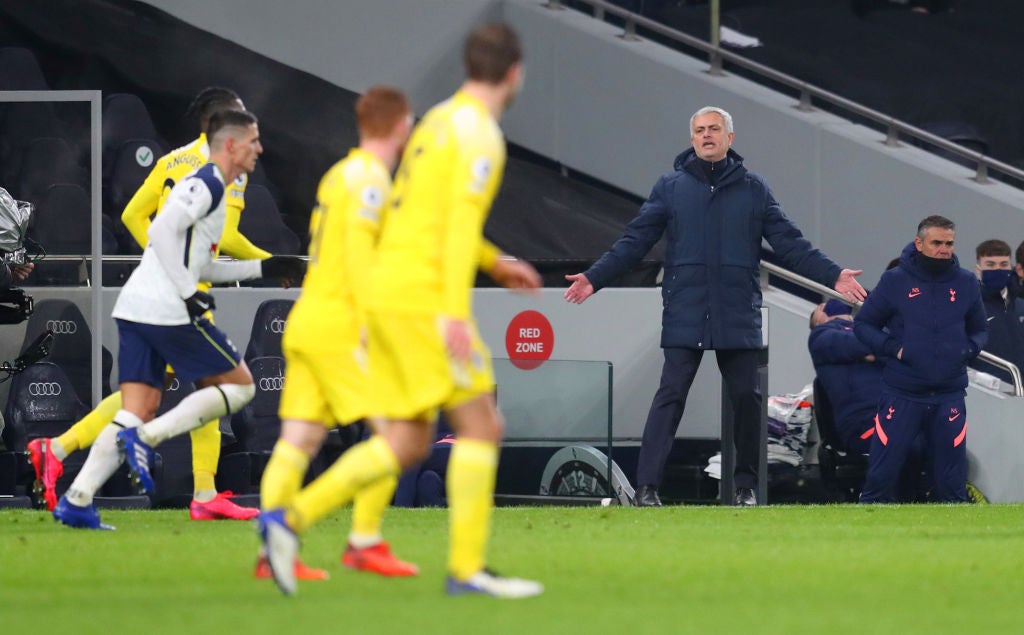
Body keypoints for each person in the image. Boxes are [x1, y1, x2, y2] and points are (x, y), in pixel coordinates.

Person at [258, 22, 544, 598]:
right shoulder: (481, 135)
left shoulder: (437, 120)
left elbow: (418, 215)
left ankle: (290, 522)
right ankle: (465, 571)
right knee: (481, 425)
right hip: (421, 299)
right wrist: (453, 312)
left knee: (409, 440)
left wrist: (495, 261)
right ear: (515, 73)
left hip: (391, 294)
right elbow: (456, 226)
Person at [564, 106, 866, 507]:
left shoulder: (754, 189)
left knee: (747, 399)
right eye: (700, 131)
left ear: (730, 138)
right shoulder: (670, 187)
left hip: (737, 311)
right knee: (670, 396)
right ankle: (648, 488)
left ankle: (746, 488)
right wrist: (595, 277)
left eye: (714, 129)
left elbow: (791, 244)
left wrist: (833, 276)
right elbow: (634, 242)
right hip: (685, 310)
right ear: (692, 140)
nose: (707, 135)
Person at [52, 110, 306, 529]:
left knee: (143, 402)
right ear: (229, 143)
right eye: (252, 140)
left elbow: (170, 239)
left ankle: (74, 487)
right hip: (169, 303)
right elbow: (173, 236)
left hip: (145, 300)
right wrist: (187, 288)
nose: (259, 149)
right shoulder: (209, 182)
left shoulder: (183, 169)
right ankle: (164, 459)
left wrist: (264, 268)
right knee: (231, 385)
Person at [257, 85, 419, 580]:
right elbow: (357, 260)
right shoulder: (370, 181)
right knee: (399, 431)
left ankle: (271, 556)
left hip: (309, 317)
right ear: (400, 126)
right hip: (341, 325)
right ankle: (362, 539)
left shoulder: (339, 174)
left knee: (299, 439)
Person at [853, 215, 987, 503]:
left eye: (949, 243)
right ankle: (863, 538)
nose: (943, 249)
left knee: (951, 484)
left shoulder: (965, 282)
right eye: (936, 242)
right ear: (919, 243)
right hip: (902, 393)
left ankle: (961, 544)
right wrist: (894, 349)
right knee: (880, 478)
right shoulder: (895, 280)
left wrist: (967, 350)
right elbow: (863, 324)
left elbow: (980, 330)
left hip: (949, 394)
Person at [809, 299, 926, 500]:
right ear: (818, 318)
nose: (828, 305)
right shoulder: (820, 336)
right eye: (820, 307)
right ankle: (879, 501)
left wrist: (871, 351)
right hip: (864, 423)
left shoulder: (873, 329)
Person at [970, 239, 1024, 384]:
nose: (997, 269)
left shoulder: (1021, 306)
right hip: (985, 396)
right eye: (990, 265)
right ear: (978, 269)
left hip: (1020, 395)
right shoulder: (966, 309)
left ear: (1010, 267)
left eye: (1003, 264)